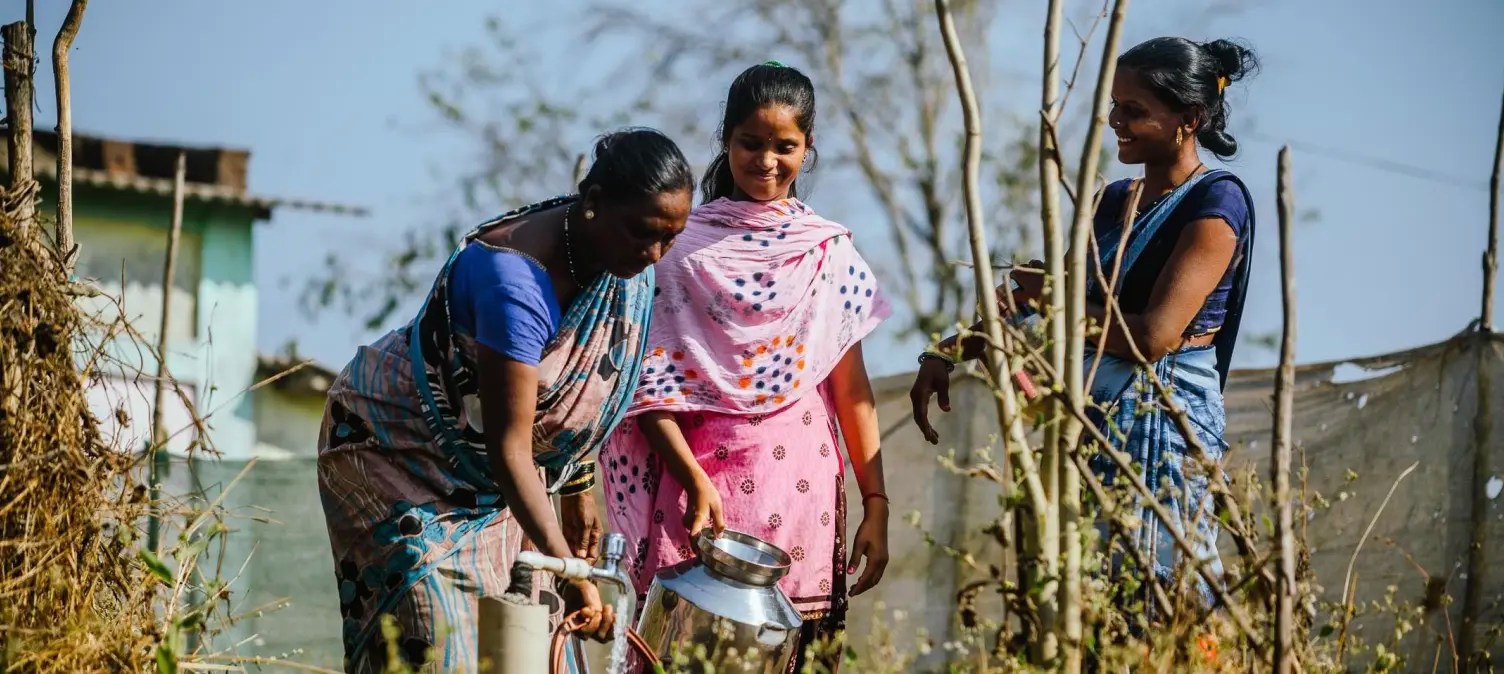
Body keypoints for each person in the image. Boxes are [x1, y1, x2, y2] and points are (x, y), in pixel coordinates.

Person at [316, 128, 694, 672]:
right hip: (396, 451)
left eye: (670, 237)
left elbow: (574, 394)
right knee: (439, 646)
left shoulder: (616, 264)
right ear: (593, 205)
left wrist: (578, 489)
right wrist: (571, 572)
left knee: (527, 650)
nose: (654, 253)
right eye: (643, 233)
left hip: (496, 475)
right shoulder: (515, 286)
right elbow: (511, 448)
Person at [910, 37, 1260, 603]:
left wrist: (1053, 296)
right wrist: (948, 351)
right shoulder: (1114, 199)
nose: (1115, 120)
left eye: (1133, 110)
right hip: (1094, 428)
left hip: (1159, 431)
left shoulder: (1216, 204)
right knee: (1088, 599)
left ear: (1188, 119)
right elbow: (1060, 303)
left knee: (1161, 593)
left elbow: (1153, 336)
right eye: (1115, 105)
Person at [599, 62, 891, 672]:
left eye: (784, 146)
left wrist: (878, 503)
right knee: (683, 652)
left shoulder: (826, 253)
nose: (766, 161)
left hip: (804, 494)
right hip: (700, 494)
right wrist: (693, 479)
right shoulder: (677, 249)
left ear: (807, 150)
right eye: (750, 144)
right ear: (726, 140)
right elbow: (647, 389)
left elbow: (851, 388)